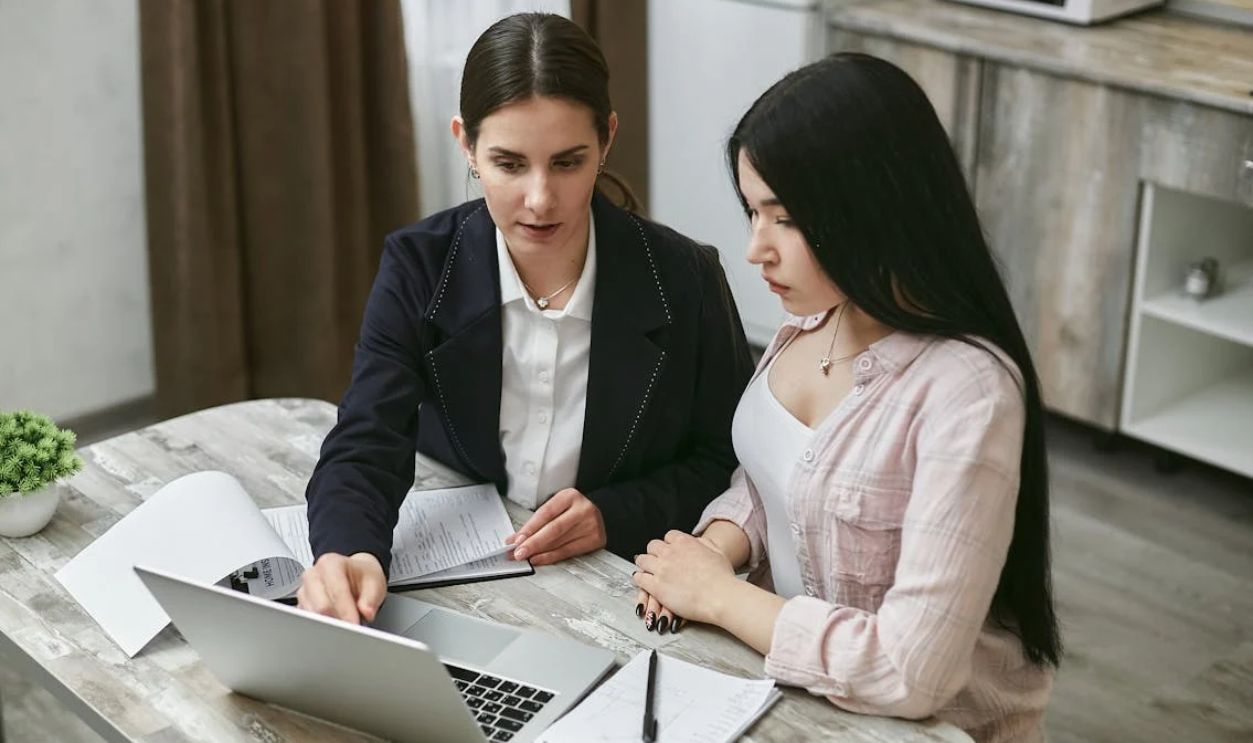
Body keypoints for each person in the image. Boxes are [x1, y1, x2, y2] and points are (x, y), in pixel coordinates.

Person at [631, 53, 1061, 742]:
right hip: (790, 693)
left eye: (785, 219)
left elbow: (909, 672)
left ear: (872, 208)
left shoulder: (968, 392)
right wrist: (714, 547)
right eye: (752, 212)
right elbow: (776, 479)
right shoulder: (815, 317)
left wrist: (719, 596)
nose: (756, 249)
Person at [298, 13, 753, 625]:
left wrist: (613, 514)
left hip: (623, 592)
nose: (540, 199)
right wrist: (349, 550)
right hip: (465, 588)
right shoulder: (419, 266)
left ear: (607, 140)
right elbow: (367, 439)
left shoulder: (685, 278)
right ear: (466, 144)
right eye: (510, 164)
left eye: (567, 163)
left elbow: (726, 462)